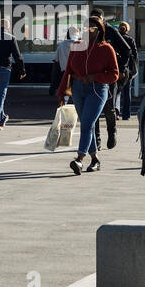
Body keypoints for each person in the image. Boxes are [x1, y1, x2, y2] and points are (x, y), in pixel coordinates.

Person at [56, 15, 118, 175]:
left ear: (99, 31)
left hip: (97, 90)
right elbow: (68, 70)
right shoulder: (76, 46)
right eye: (85, 28)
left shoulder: (106, 48)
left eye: (91, 28)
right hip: (77, 88)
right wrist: (61, 91)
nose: (87, 31)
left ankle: (79, 158)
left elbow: (114, 74)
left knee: (87, 123)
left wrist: (95, 77)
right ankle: (95, 159)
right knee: (86, 124)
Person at [90, 9, 130, 151]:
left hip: (108, 75)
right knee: (92, 109)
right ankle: (96, 139)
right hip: (92, 76)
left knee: (108, 107)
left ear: (103, 20)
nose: (95, 24)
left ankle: (112, 132)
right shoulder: (88, 31)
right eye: (92, 20)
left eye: (98, 20)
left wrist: (120, 69)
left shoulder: (111, 31)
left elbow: (127, 50)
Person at [116, 21, 139, 120]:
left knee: (116, 91)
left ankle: (115, 112)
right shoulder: (130, 40)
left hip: (116, 68)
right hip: (128, 69)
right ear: (127, 29)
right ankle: (126, 115)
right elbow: (135, 55)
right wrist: (134, 67)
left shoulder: (115, 39)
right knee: (127, 92)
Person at [50, 27, 79, 97]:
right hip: (77, 72)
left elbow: (56, 59)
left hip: (65, 72)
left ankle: (64, 102)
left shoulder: (61, 45)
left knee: (66, 90)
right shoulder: (80, 45)